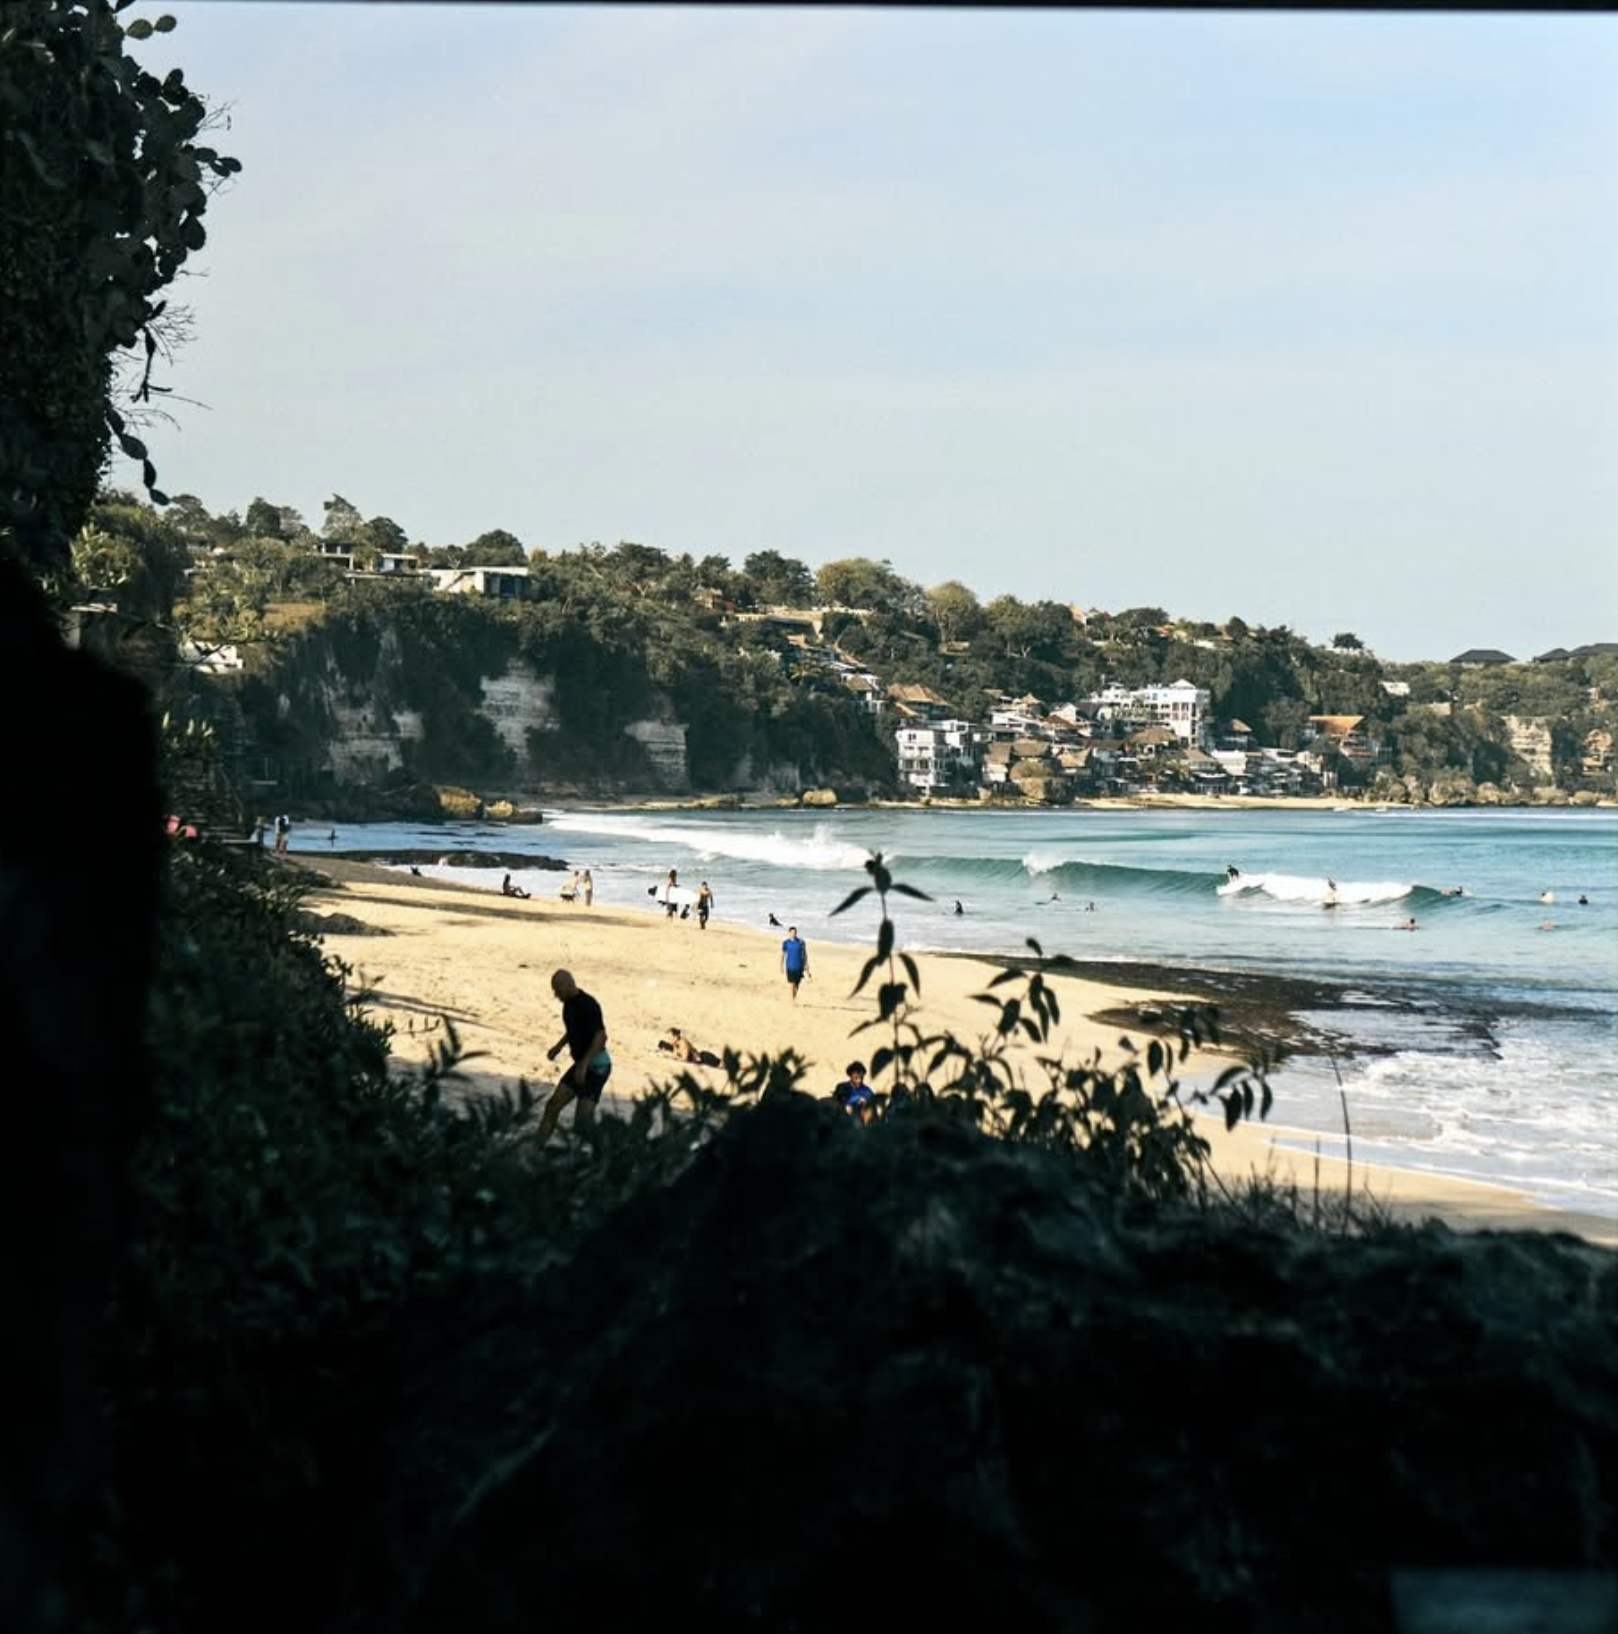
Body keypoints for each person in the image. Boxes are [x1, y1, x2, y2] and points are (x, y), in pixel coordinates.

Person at [538, 969, 611, 1144]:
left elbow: (601, 1037)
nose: (556, 995)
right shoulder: (568, 1004)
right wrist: (559, 1046)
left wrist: (584, 1066)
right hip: (581, 1065)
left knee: (582, 1122)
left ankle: (604, 1152)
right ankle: (536, 1148)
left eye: (557, 990)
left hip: (597, 1067)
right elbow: (573, 1030)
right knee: (553, 1106)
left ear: (568, 984)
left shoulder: (588, 1004)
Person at [780, 926, 808, 1000]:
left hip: (799, 966)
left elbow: (804, 954)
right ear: (789, 933)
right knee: (791, 983)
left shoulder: (801, 942)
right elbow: (783, 954)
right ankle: (792, 999)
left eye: (795, 932)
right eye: (792, 932)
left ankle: (793, 997)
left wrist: (806, 964)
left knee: (797, 984)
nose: (793, 934)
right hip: (790, 966)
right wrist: (781, 965)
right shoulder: (786, 943)